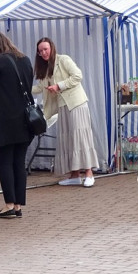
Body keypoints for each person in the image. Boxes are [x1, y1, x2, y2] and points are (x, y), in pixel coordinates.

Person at [32, 37, 100, 187]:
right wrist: (21, 89)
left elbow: (78, 76)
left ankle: (89, 173)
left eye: (46, 49)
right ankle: (75, 174)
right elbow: (39, 88)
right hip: (63, 106)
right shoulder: (45, 68)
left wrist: (59, 86)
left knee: (81, 136)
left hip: (76, 103)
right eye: (40, 51)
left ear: (52, 48)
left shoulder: (63, 60)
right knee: (68, 139)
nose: (43, 53)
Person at [0, 29, 35, 217]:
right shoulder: (25, 59)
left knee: (5, 162)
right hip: (24, 120)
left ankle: (9, 204)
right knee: (18, 163)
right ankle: (19, 206)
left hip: (4, 120)